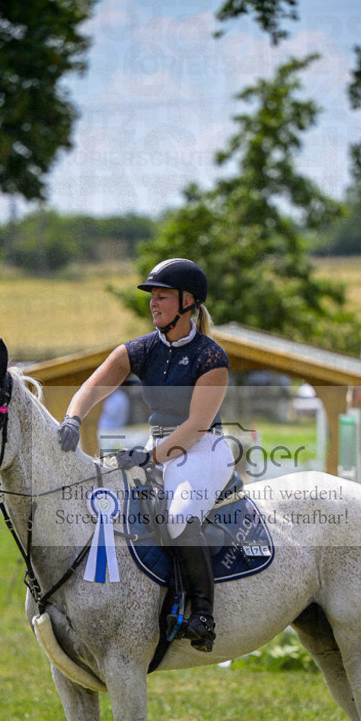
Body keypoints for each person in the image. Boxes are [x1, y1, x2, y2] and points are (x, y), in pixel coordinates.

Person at [58, 258, 232, 652]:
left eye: (163, 296)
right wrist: (72, 418)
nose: (153, 303)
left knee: (179, 516)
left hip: (202, 448)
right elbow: (93, 386)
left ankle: (203, 615)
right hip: (156, 446)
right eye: (152, 296)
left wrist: (151, 458)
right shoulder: (140, 349)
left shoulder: (211, 357)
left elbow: (196, 426)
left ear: (188, 302)